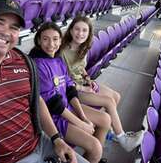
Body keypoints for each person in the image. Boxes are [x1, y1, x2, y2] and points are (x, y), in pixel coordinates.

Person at [0, 0, 88, 163]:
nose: (6, 31)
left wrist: (56, 139)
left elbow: (37, 101)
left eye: (14, 27)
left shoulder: (24, 61)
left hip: (40, 144)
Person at [60, 16, 144, 152]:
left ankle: (111, 132)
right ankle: (123, 139)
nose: (80, 34)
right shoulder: (63, 52)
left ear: (88, 33)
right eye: (77, 29)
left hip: (83, 84)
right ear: (70, 30)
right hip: (72, 91)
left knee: (116, 96)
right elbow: (62, 82)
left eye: (84, 31)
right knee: (109, 102)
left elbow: (81, 69)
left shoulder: (83, 48)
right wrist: (84, 88)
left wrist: (88, 79)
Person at [29, 22, 109, 163]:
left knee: (105, 120)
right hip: (54, 117)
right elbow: (53, 105)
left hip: (67, 108)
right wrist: (80, 123)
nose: (50, 44)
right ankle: (93, 156)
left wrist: (83, 116)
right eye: (45, 39)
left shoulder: (58, 60)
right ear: (39, 41)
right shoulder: (39, 64)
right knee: (96, 147)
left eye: (55, 39)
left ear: (60, 41)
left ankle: (91, 159)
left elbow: (70, 90)